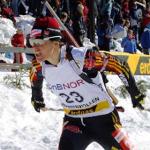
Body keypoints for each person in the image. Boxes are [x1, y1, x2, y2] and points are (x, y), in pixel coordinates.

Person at [29, 17, 145, 150]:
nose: (35, 48)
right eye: (32, 42)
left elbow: (119, 64)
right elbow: (34, 78)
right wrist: (37, 98)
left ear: (56, 42)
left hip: (104, 120)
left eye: (39, 42)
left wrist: (134, 93)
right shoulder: (38, 66)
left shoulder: (82, 58)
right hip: (74, 123)